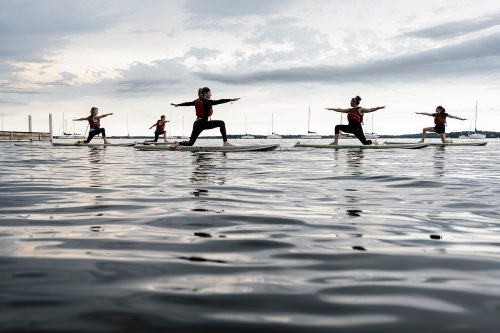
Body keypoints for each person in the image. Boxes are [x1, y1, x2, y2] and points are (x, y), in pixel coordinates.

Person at [169, 87, 240, 149]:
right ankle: (225, 143)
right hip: (203, 123)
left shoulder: (197, 101)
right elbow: (220, 101)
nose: (210, 94)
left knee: (190, 143)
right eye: (209, 93)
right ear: (205, 93)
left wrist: (178, 104)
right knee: (221, 123)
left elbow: (188, 103)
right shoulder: (207, 102)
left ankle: (177, 143)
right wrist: (231, 99)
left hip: (197, 123)